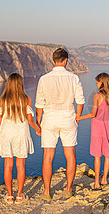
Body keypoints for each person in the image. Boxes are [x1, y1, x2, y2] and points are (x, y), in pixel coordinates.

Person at [35, 48, 85, 200]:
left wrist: (38, 124)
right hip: (68, 118)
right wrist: (77, 117)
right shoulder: (74, 78)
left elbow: (39, 105)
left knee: (48, 156)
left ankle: (46, 192)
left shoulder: (44, 79)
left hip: (49, 120)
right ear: (65, 60)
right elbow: (80, 101)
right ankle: (68, 189)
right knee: (70, 155)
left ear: (53, 60)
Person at [0, 73, 41, 204]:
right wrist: (38, 130)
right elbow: (30, 120)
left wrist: (2, 137)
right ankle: (20, 195)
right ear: (21, 84)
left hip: (6, 135)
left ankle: (9, 196)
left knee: (8, 166)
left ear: (8, 84)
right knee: (21, 166)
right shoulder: (27, 100)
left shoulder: (1, 101)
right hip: (21, 135)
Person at [77, 72, 109, 190]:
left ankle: (97, 182)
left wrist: (79, 117)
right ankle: (104, 180)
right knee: (107, 155)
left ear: (102, 83)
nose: (96, 84)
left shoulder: (97, 96)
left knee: (97, 156)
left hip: (98, 129)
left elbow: (93, 114)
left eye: (97, 82)